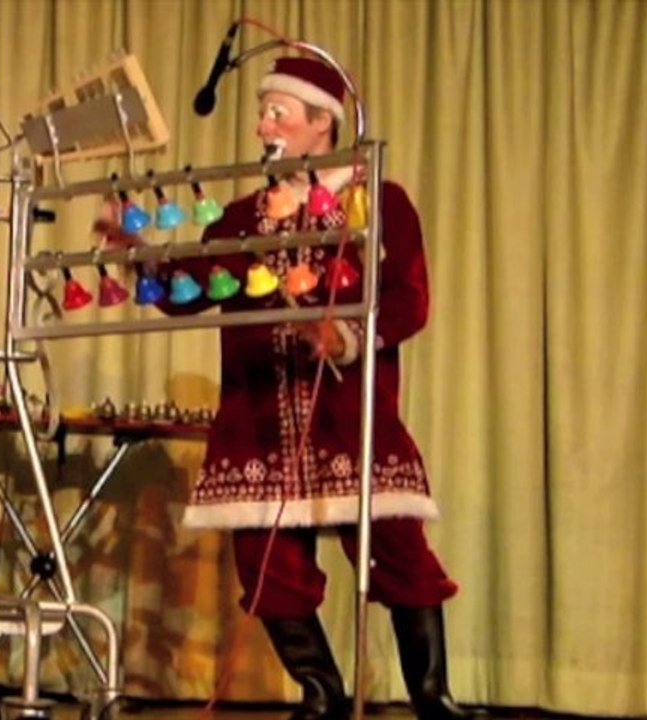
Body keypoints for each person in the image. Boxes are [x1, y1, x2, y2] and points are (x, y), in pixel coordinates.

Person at [144, 57, 478, 720]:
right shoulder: (239, 217)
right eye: (261, 111)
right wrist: (142, 262)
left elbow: (410, 297)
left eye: (277, 112)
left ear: (321, 123)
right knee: (267, 563)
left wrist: (349, 339)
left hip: (347, 415)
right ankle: (320, 691)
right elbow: (190, 294)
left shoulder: (378, 202)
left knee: (398, 551)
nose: (260, 124)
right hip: (257, 420)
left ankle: (432, 697)